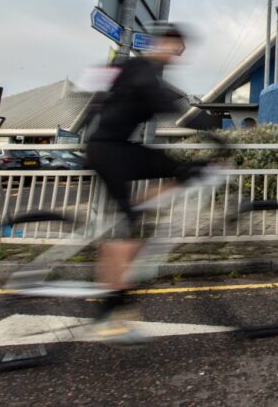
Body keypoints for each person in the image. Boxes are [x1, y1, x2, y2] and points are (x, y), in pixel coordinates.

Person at [85, 24, 191, 341]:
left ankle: (136, 214)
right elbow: (156, 96)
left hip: (115, 147)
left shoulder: (141, 68)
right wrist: (186, 113)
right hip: (108, 150)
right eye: (178, 47)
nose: (179, 54)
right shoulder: (144, 67)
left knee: (180, 171)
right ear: (164, 43)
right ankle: (109, 312)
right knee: (126, 225)